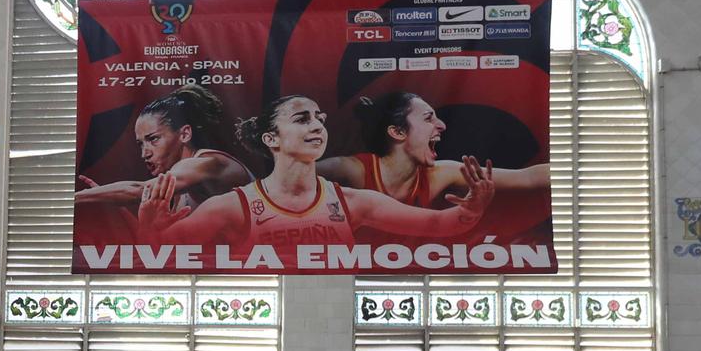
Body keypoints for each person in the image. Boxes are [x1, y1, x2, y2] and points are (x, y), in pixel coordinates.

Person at [139, 94, 496, 250]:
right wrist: (152, 227)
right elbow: (162, 247)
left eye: (320, 120)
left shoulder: (353, 202)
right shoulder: (233, 207)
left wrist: (472, 211)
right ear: (271, 139)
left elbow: (438, 224)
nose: (317, 127)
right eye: (302, 119)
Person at [318, 91, 549, 210]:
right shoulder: (347, 170)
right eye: (429, 118)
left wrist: (579, 171)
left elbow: (527, 178)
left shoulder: (440, 174)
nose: (442, 125)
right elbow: (284, 175)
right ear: (398, 132)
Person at [74, 83, 253, 213]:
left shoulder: (206, 163)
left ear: (184, 134)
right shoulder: (180, 189)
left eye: (153, 139)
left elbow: (139, 190)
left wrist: (76, 198)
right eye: (141, 143)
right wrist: (107, 200)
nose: (145, 153)